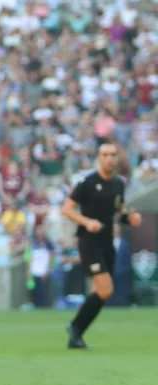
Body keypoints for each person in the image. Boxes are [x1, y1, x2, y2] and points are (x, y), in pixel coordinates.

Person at [61, 142, 141, 349]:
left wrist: (129, 219)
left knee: (101, 291)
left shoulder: (118, 184)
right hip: (89, 241)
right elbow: (67, 209)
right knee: (105, 290)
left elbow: (119, 212)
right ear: (98, 157)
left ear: (117, 158)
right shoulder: (88, 182)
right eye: (105, 154)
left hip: (107, 242)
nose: (109, 158)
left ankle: (76, 336)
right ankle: (75, 326)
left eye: (112, 154)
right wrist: (87, 222)